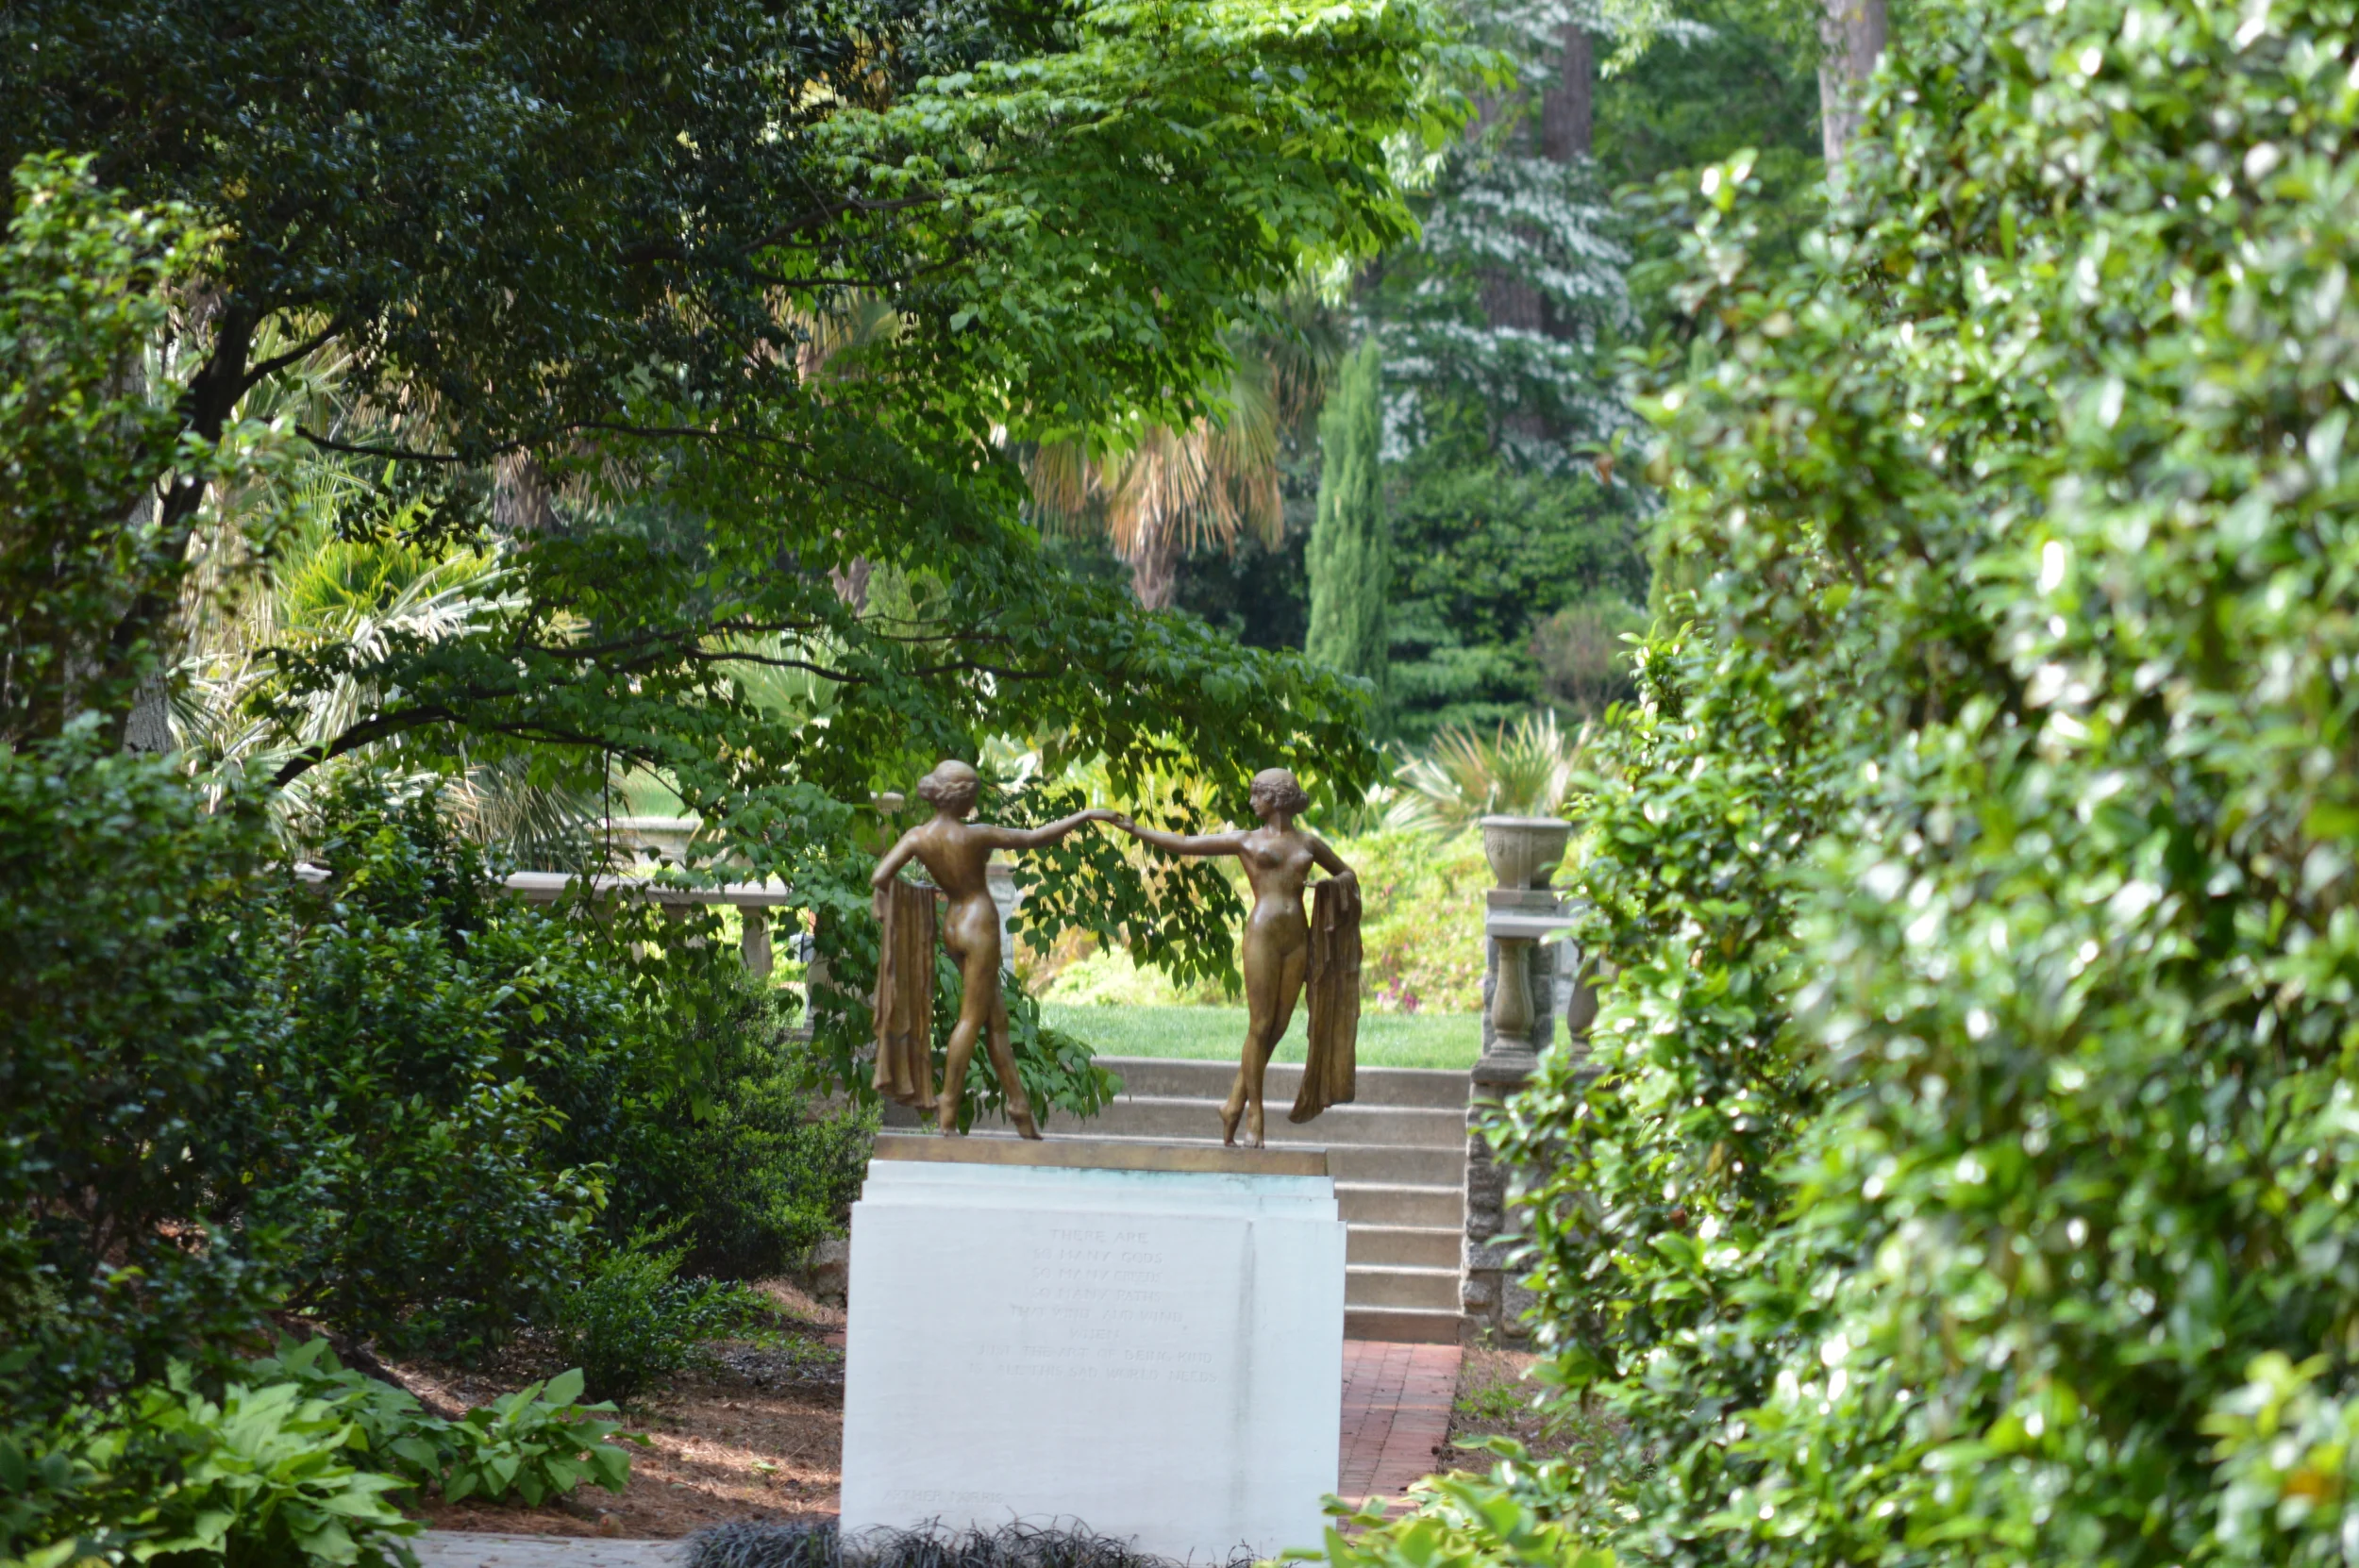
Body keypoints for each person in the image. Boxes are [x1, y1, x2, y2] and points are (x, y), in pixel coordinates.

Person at [870, 760, 1117, 1138]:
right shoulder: (976, 835)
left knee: (996, 1022)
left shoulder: (918, 837)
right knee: (971, 1020)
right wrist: (1085, 815)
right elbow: (1035, 837)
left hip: (951, 925)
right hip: (979, 925)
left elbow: (880, 877)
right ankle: (947, 1107)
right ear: (965, 799)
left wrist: (892, 907)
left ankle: (1020, 1110)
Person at [1113, 768, 1360, 1147]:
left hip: (1297, 939)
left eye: (1256, 794)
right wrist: (1137, 830)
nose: (1251, 802)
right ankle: (1254, 1116)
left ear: (1276, 797)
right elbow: (1184, 843)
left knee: (1277, 1028)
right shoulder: (1245, 840)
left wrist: (1327, 886)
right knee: (1260, 1025)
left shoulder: (1308, 843)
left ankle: (1231, 1104)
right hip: (1262, 935)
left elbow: (1347, 875)